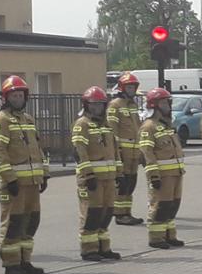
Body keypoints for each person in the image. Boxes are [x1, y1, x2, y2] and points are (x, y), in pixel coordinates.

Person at [0, 75, 49, 274]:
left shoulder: (28, 120)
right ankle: (11, 263)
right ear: (6, 97)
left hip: (32, 182)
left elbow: (39, 149)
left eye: (20, 95)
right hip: (14, 183)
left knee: (31, 221)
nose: (18, 98)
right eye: (13, 95)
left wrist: (44, 174)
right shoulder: (0, 120)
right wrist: (9, 178)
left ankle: (25, 260)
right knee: (13, 223)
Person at [70, 86, 122, 262]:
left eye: (100, 105)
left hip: (108, 178)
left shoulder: (106, 125)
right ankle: (89, 249)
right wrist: (88, 175)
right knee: (91, 214)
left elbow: (115, 151)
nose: (97, 109)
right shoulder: (82, 124)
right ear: (86, 105)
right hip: (92, 179)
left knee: (106, 213)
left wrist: (119, 173)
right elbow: (80, 152)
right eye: (94, 105)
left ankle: (103, 247)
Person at [139, 87, 186, 249]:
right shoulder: (148, 127)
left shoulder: (166, 125)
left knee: (172, 205)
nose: (167, 105)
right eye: (164, 102)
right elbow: (147, 152)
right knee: (160, 206)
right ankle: (156, 238)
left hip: (175, 173)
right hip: (162, 175)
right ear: (155, 105)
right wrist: (153, 175)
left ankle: (169, 235)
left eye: (168, 101)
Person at [106, 73, 146, 226]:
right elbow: (112, 130)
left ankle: (127, 212)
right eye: (129, 86)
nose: (131, 89)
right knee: (122, 185)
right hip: (123, 151)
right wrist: (117, 152)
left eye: (133, 87)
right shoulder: (115, 105)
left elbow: (138, 128)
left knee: (131, 184)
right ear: (122, 88)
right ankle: (119, 214)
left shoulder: (133, 105)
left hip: (134, 152)